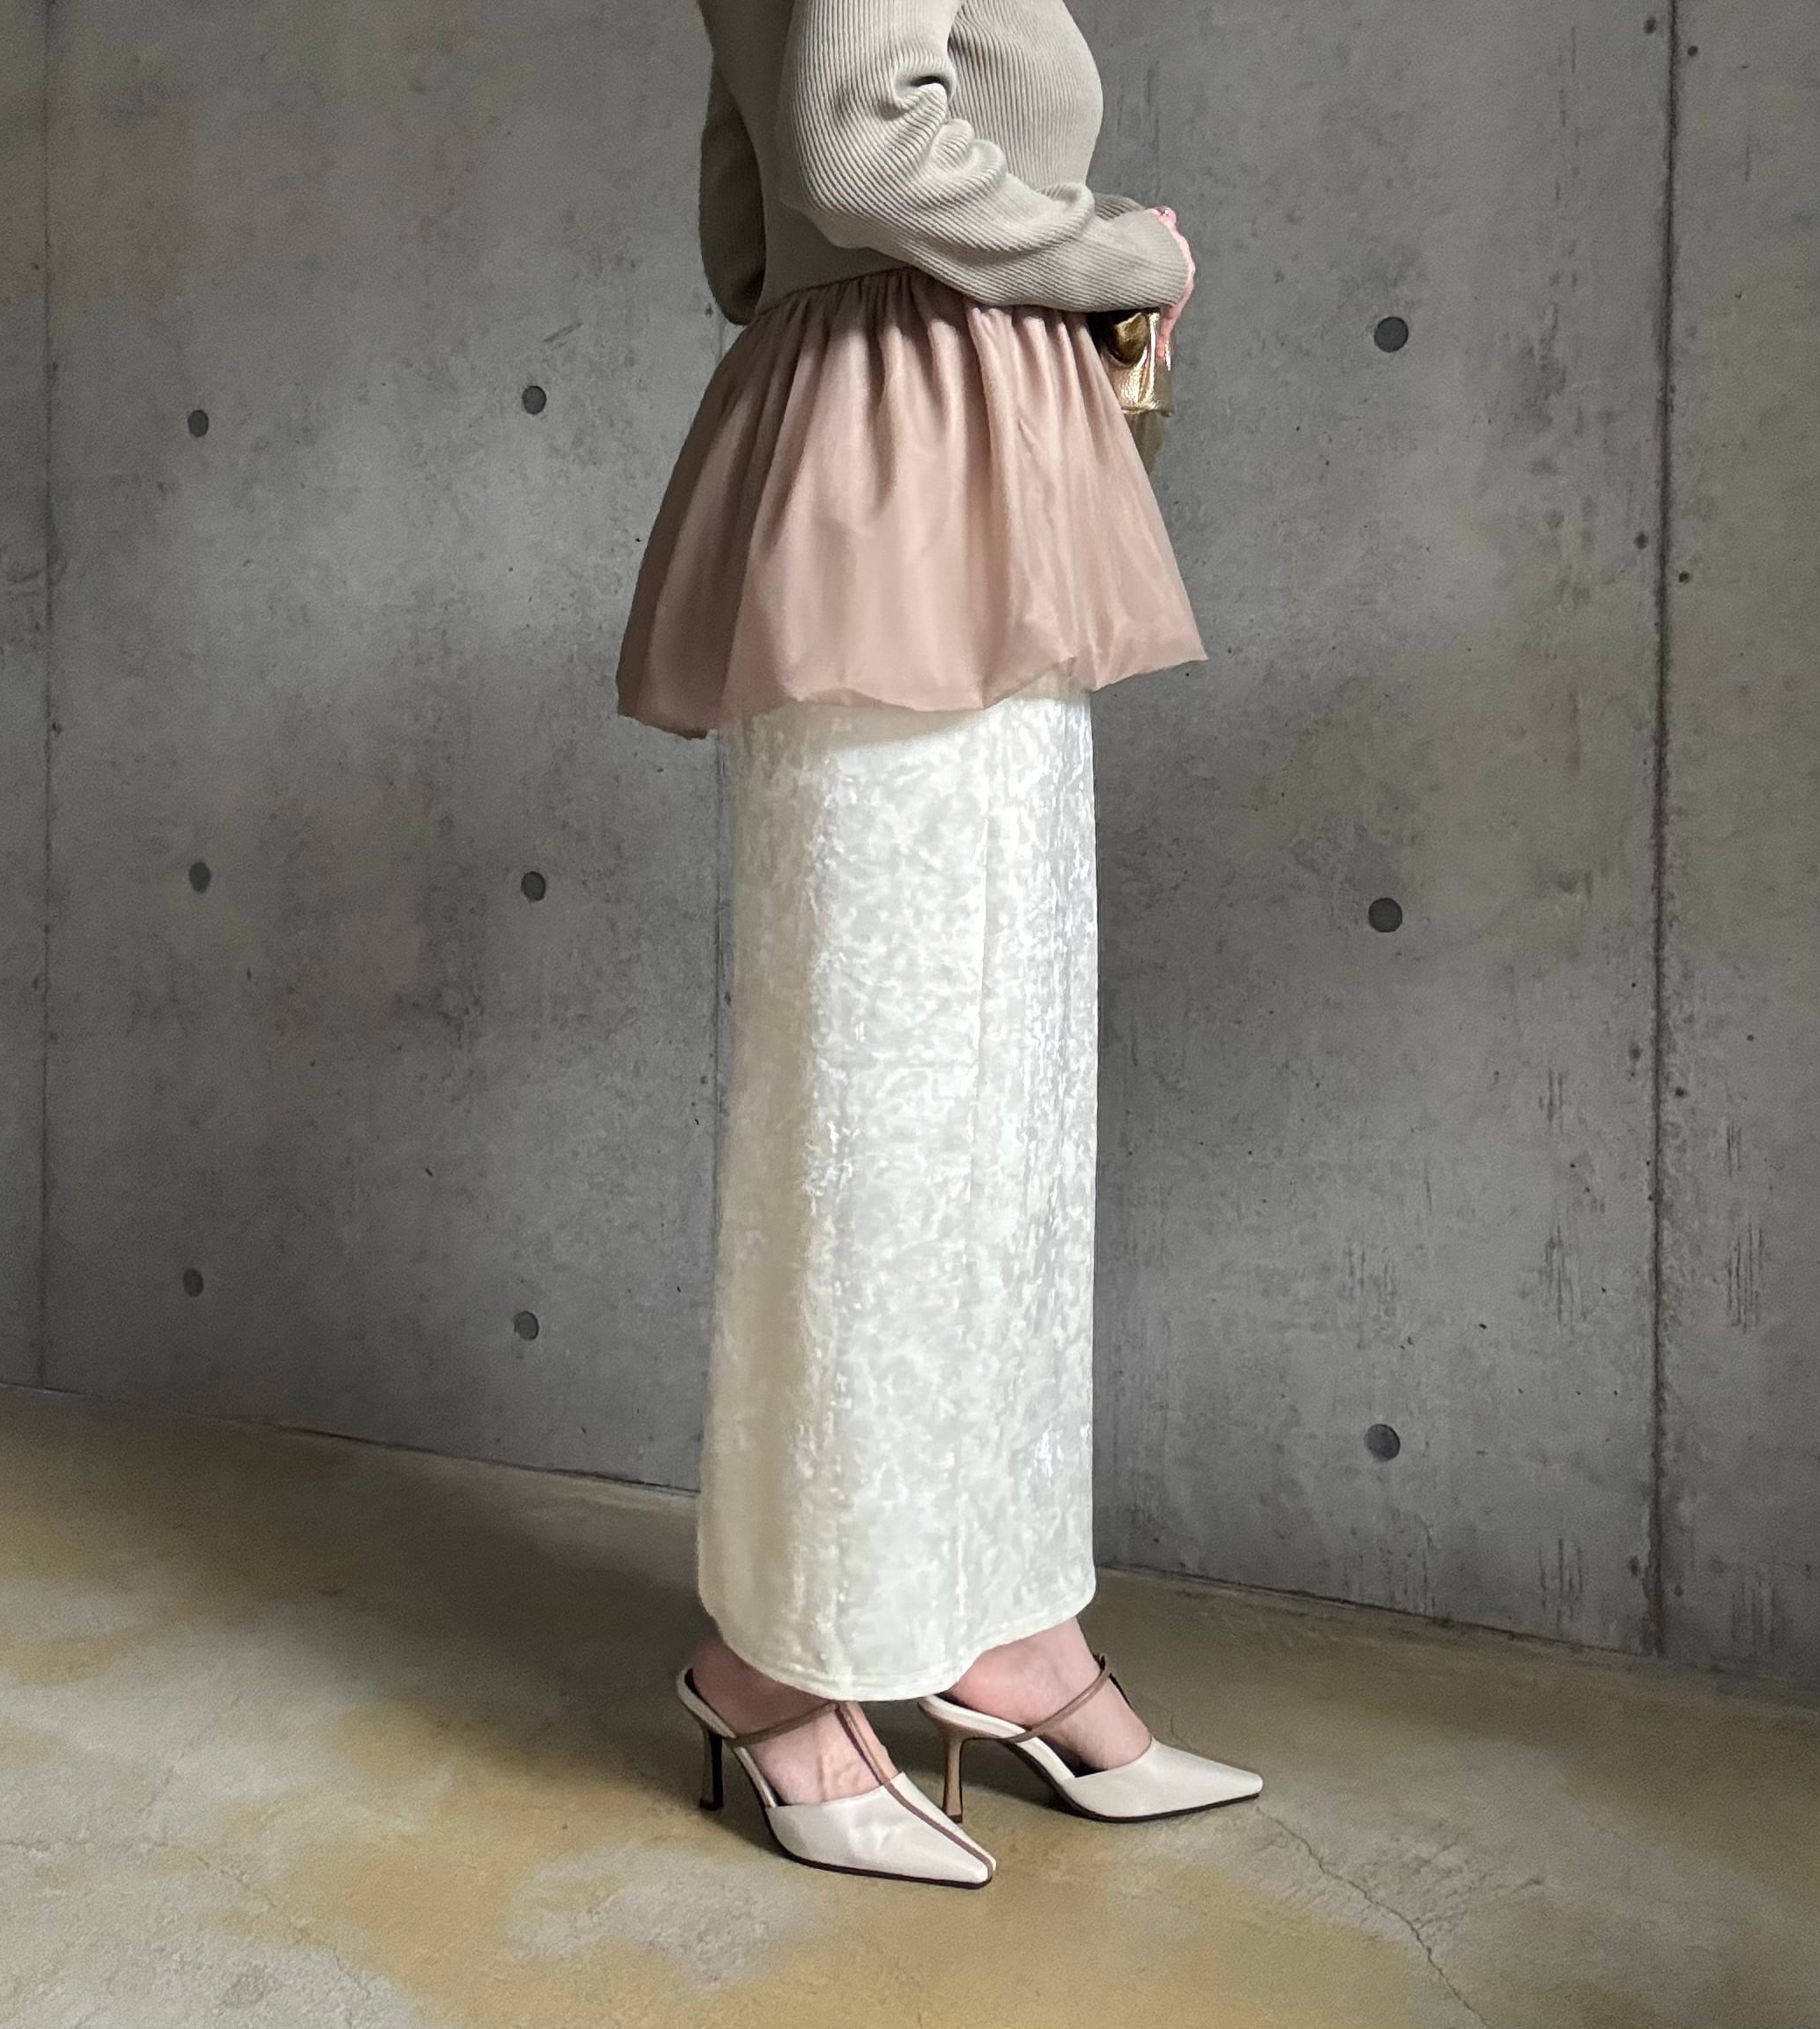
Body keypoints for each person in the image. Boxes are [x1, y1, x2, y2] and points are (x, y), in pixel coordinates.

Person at [615, 0, 1262, 1887]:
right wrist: (1122, 252)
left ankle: (999, 1620)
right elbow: (854, 149)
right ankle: (775, 1658)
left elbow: (747, 228)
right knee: (887, 1099)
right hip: (922, 464)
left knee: (989, 1087)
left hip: (907, 450)